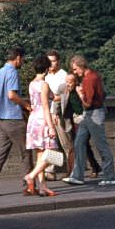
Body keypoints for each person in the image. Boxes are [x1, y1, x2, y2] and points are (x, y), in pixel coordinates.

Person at [0, 47, 31, 197]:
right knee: (26, 152)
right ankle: (28, 185)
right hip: (13, 119)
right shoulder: (12, 72)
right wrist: (26, 105)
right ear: (17, 58)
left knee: (0, 154)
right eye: (22, 59)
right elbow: (11, 95)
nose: (22, 62)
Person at [63, 54, 115, 186]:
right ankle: (77, 176)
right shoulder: (95, 75)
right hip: (91, 115)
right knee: (79, 143)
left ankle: (109, 177)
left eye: (75, 69)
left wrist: (80, 94)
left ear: (81, 66)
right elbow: (103, 94)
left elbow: (87, 103)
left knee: (101, 146)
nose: (74, 72)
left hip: (93, 115)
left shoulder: (88, 80)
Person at [23, 55, 60, 197]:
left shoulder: (32, 84)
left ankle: (43, 187)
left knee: (40, 154)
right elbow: (46, 105)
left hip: (33, 120)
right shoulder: (44, 85)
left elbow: (47, 98)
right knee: (52, 153)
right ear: (46, 68)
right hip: (42, 120)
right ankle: (30, 176)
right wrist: (51, 126)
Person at [61, 72, 102, 178]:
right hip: (75, 121)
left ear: (75, 82)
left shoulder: (80, 90)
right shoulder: (66, 91)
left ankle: (73, 173)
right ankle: (95, 167)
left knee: (78, 144)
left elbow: (88, 104)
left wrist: (81, 95)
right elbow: (60, 102)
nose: (67, 84)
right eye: (66, 82)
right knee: (83, 145)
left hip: (85, 119)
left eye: (70, 82)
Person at [44, 49, 68, 180]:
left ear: (58, 61)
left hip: (59, 113)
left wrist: (52, 97)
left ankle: (71, 169)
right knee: (51, 142)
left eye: (53, 61)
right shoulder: (46, 75)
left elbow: (65, 96)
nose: (51, 64)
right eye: (49, 61)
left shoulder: (63, 75)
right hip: (48, 113)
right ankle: (50, 170)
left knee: (65, 142)